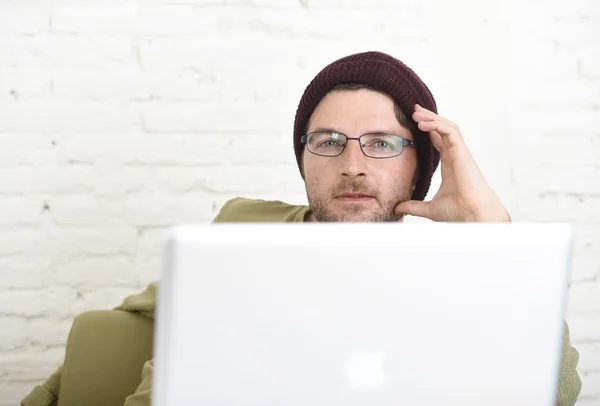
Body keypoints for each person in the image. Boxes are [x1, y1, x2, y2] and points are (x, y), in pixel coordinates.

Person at [22, 51, 582, 406]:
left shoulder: (468, 265)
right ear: (304, 158)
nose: (354, 166)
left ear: (421, 165)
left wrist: (494, 234)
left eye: (383, 144)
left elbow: (552, 395)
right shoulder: (244, 230)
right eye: (329, 142)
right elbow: (155, 348)